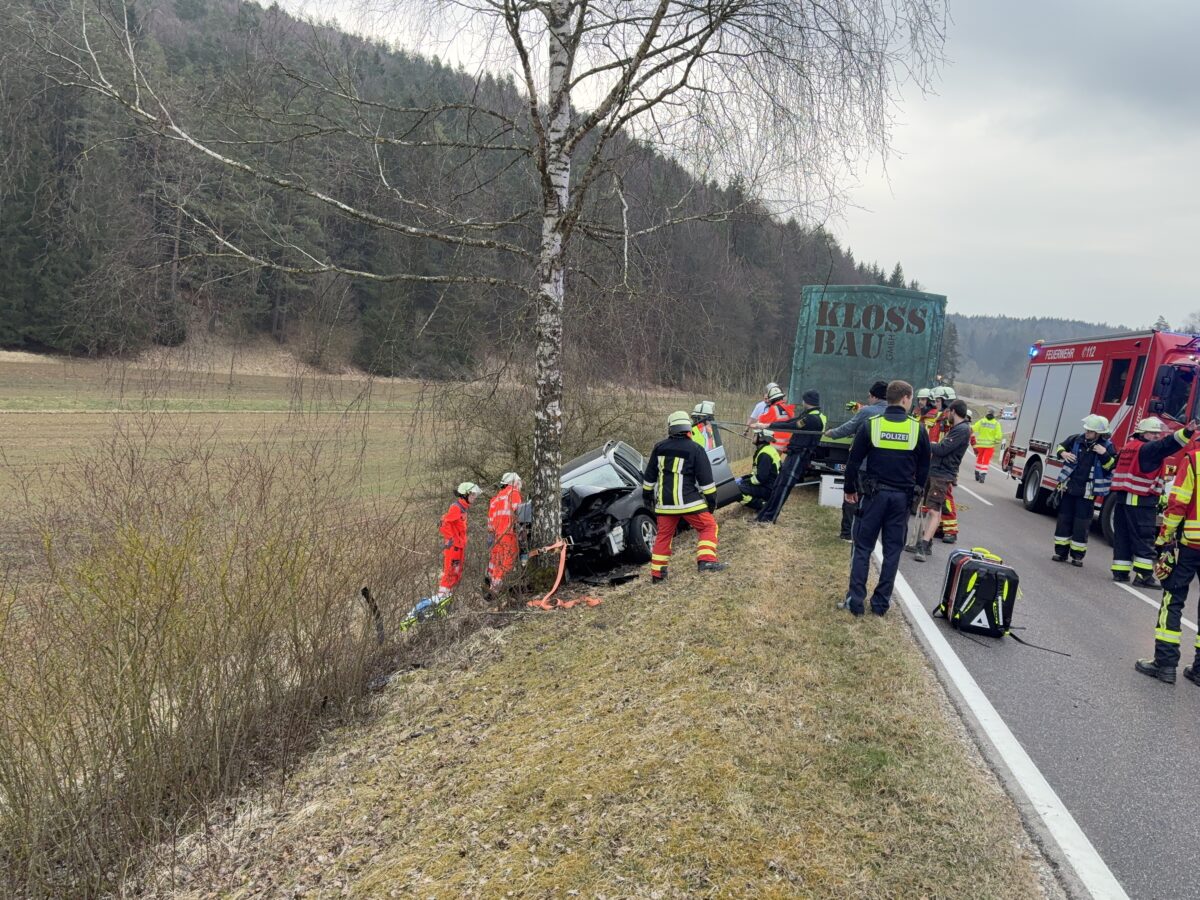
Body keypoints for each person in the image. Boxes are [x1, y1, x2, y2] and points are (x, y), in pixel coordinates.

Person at [841, 380, 931, 617]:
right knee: (892, 552)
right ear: (905, 398)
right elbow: (925, 466)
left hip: (873, 496)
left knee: (863, 547)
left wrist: (849, 488)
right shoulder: (917, 429)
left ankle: (855, 601)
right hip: (901, 499)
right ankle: (880, 604)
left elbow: (853, 461)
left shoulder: (872, 425)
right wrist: (918, 491)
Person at [1135, 442, 1200, 685]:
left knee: (1173, 600)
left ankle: (1165, 664)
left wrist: (1164, 537)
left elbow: (1178, 503)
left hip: (1190, 543)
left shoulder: (1194, 460)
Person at [642, 411, 727, 582]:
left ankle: (657, 575)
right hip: (689, 502)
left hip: (665, 504)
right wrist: (711, 503)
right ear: (688, 428)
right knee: (709, 527)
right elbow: (706, 482)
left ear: (670, 428)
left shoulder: (659, 448)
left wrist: (648, 497)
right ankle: (706, 561)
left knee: (663, 537)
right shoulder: (696, 449)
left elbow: (649, 477)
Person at [1110, 417, 1195, 586]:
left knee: (1123, 537)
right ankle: (1144, 576)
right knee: (1144, 538)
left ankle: (1120, 572)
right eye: (1153, 433)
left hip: (1122, 500)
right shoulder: (1147, 449)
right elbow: (1167, 444)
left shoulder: (1129, 447)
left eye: (1158, 433)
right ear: (1142, 434)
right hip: (1140, 501)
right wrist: (1187, 432)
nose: (1157, 436)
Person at [825, 380, 889, 540]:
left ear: (874, 396)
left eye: (869, 396)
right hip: (883, 468)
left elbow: (848, 428)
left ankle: (847, 533)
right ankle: (866, 533)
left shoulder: (867, 412)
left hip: (863, 464)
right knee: (873, 502)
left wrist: (831, 433)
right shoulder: (894, 413)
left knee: (852, 498)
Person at [909, 399, 970, 562]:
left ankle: (923, 546)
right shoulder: (957, 428)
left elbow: (943, 449)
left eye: (948, 412)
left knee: (934, 511)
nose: (946, 415)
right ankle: (927, 542)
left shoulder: (962, 430)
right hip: (936, 471)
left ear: (953, 411)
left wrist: (927, 444)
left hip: (942, 474)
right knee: (933, 508)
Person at [1051, 414, 1116, 567]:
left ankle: (1077, 556)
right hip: (1070, 488)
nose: (1087, 433)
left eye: (1090, 431)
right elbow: (1060, 446)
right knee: (1064, 521)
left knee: (1081, 525)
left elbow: (1111, 467)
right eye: (1086, 430)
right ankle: (1060, 553)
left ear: (1098, 433)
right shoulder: (1076, 439)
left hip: (1087, 492)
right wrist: (1063, 453)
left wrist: (1104, 455)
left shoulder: (1107, 447)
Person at [755, 389, 825, 524]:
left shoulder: (812, 418)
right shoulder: (809, 415)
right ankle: (762, 516)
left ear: (807, 401)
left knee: (783, 487)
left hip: (799, 456)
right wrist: (768, 425)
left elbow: (792, 425)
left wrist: (767, 425)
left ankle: (769, 519)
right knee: (778, 485)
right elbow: (790, 422)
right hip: (794, 454)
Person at [438, 482, 481, 599]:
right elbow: (443, 523)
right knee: (450, 572)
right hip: (454, 548)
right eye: (472, 495)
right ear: (465, 495)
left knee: (456, 572)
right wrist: (450, 538)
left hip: (459, 547)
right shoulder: (456, 508)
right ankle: (441, 597)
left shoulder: (463, 509)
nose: (474, 497)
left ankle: (448, 596)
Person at [487, 472, 523, 589]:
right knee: (507, 562)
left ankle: (492, 587)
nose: (519, 485)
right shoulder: (514, 493)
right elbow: (519, 514)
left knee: (497, 562)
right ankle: (497, 588)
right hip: (509, 533)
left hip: (497, 536)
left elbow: (490, 524)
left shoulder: (495, 499)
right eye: (518, 482)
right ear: (513, 482)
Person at [737, 429, 780, 510]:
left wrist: (745, 482)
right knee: (741, 485)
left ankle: (762, 505)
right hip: (772, 486)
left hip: (769, 488)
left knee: (736, 491)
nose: (753, 437)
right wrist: (743, 478)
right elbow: (757, 473)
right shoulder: (767, 449)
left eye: (755, 435)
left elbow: (760, 479)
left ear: (761, 438)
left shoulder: (764, 454)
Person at [754, 385, 796, 453]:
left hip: (777, 444)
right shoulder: (788, 408)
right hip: (788, 443)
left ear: (772, 399)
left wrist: (759, 419)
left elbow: (763, 420)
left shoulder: (774, 408)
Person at [970, 406, 1003, 483]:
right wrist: (996, 441)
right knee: (986, 460)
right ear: (993, 415)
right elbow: (999, 436)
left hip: (980, 444)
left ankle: (977, 472)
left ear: (987, 413)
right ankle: (983, 475)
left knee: (979, 458)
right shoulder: (996, 423)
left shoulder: (982, 421)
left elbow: (974, 428)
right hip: (990, 446)